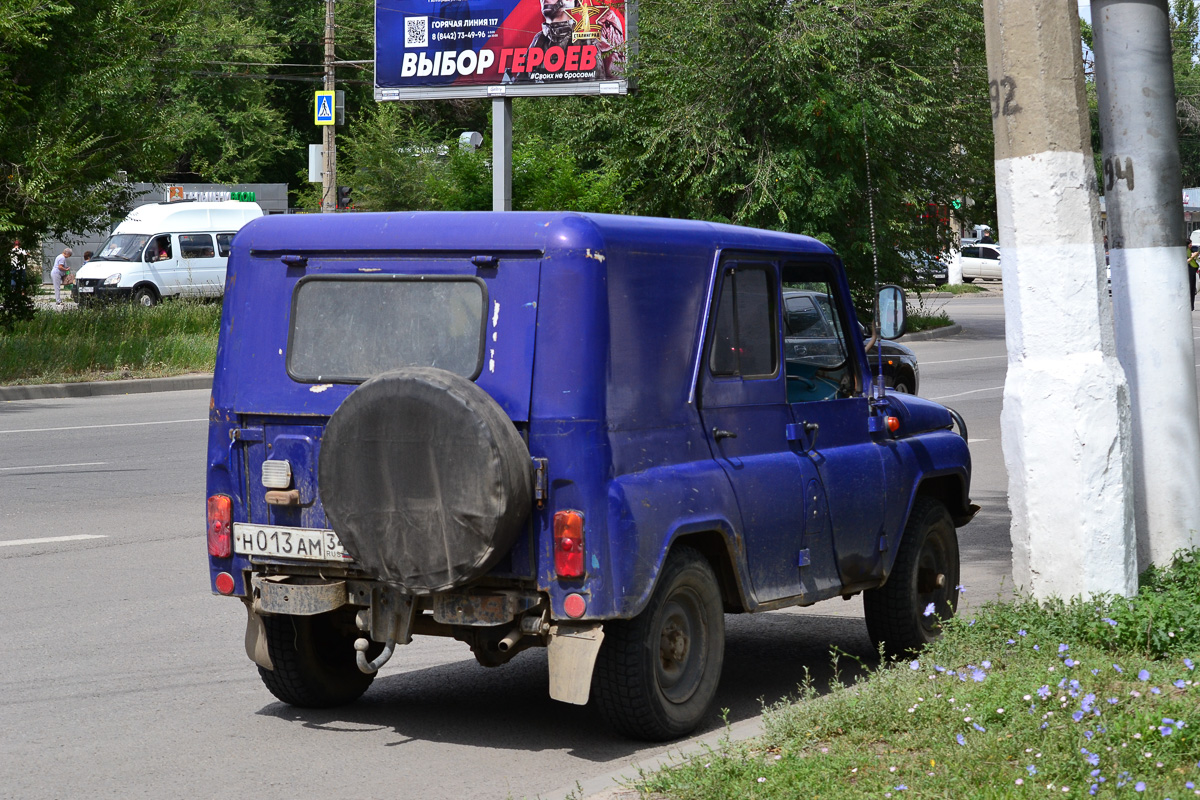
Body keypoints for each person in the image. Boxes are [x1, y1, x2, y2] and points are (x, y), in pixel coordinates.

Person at [1188, 244, 1198, 311]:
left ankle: (1192, 306)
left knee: (1192, 289)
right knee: (1191, 289)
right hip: (1189, 272)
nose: (1191, 245)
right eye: (1189, 244)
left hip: (1192, 272)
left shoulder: (1191, 250)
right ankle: (1190, 306)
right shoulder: (1184, 251)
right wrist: (1192, 257)